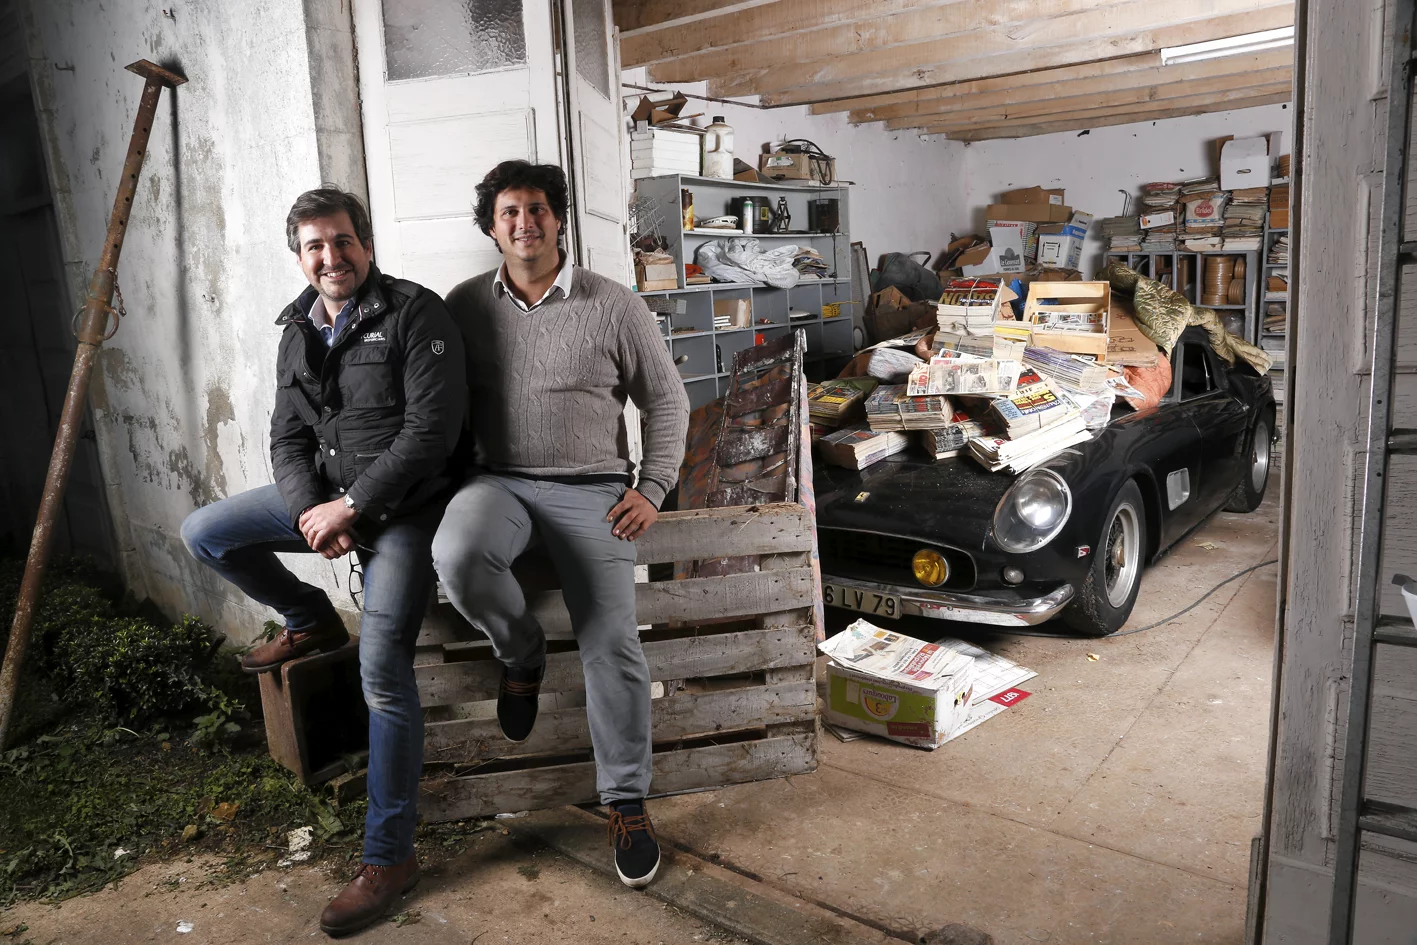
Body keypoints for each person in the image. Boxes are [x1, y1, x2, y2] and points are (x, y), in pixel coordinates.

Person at [179, 186, 466, 937]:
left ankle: (388, 857)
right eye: (315, 246)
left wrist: (353, 509)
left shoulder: (414, 312)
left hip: (401, 512)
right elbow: (286, 439)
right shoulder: (295, 328)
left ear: (364, 244)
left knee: (383, 675)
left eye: (342, 241)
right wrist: (313, 513)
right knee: (206, 531)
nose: (330, 257)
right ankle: (309, 618)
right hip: (329, 503)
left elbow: (432, 433)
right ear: (300, 256)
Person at [434, 161, 690, 889]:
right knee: (456, 554)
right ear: (491, 226)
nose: (525, 222)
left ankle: (626, 799)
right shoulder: (462, 306)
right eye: (509, 211)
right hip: (499, 483)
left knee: (612, 642)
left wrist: (653, 487)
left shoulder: (613, 304)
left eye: (538, 209)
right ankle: (520, 655)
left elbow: (667, 403)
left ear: (559, 220)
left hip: (594, 491)